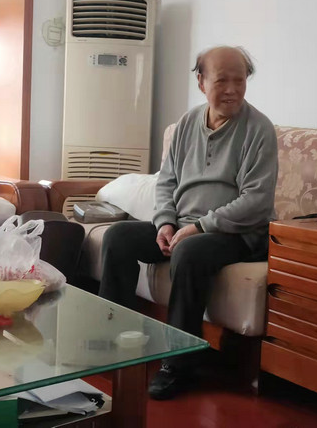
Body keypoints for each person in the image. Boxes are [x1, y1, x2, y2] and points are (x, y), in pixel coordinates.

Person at [98, 45, 278, 400]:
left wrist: (199, 227)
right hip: (182, 224)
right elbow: (166, 181)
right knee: (119, 237)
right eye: (222, 81)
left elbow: (256, 202)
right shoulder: (186, 123)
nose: (232, 90)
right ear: (201, 82)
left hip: (237, 233)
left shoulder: (259, 129)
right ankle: (113, 340)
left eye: (240, 81)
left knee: (190, 251)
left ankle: (179, 364)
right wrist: (165, 223)